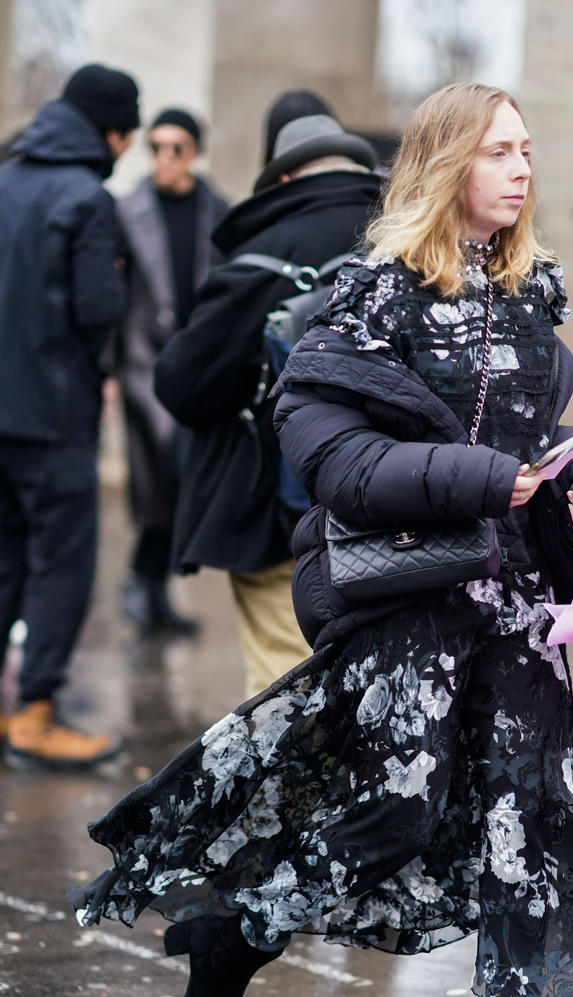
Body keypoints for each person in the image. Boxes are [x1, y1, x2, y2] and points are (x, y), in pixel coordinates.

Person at [69, 83, 573, 997]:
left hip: (516, 605)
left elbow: (531, 432)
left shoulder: (533, 290)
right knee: (388, 817)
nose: (520, 169)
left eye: (526, 149)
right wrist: (483, 478)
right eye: (497, 151)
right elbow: (330, 461)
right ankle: (233, 936)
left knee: (531, 828)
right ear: (445, 164)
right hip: (409, 601)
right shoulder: (371, 296)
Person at [153, 106, 381, 696]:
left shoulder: (259, 258)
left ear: (282, 179)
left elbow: (182, 385)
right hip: (401, 511)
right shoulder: (411, 242)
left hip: (283, 516)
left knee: (288, 688)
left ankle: (303, 791)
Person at [0, 64, 139, 769]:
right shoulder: (87, 196)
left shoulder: (3, 177)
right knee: (59, 566)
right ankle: (33, 717)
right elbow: (98, 310)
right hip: (54, 416)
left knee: (3, 560)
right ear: (111, 132)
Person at [116, 108, 227, 635]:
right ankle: (143, 582)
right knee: (157, 474)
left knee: (182, 481)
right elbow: (111, 297)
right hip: (143, 364)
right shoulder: (126, 210)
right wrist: (108, 372)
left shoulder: (215, 210)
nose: (164, 158)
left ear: (196, 152)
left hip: (195, 367)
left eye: (176, 147)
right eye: (156, 146)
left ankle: (153, 590)